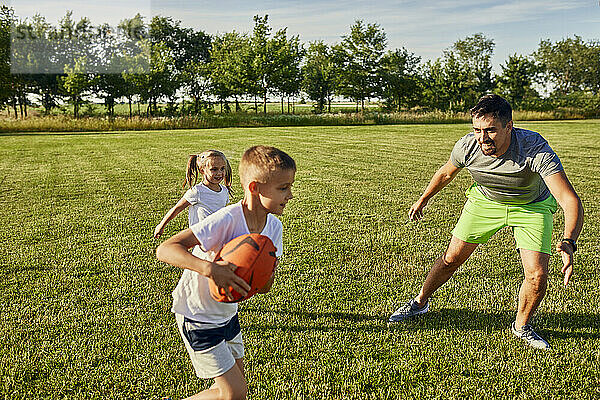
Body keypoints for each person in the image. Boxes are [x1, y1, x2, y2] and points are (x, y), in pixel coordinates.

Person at [388, 94, 584, 350]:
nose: (482, 137)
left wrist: (569, 240)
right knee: (451, 259)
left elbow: (569, 200)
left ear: (508, 126)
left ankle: (521, 326)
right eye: (477, 130)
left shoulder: (534, 148)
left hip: (531, 206)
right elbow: (446, 173)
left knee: (536, 274)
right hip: (486, 202)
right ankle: (420, 303)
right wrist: (423, 199)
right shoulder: (468, 146)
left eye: (490, 130)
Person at [156, 145, 296, 400]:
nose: (290, 195)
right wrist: (210, 269)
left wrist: (263, 271)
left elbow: (263, 287)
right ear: (254, 188)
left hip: (228, 316)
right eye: (283, 188)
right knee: (235, 394)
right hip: (198, 316)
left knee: (226, 391)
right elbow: (166, 249)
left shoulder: (274, 229)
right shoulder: (228, 219)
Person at [154, 150, 233, 240]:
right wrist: (161, 225)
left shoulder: (224, 191)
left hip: (218, 236)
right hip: (201, 238)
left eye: (222, 168)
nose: (219, 173)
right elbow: (177, 208)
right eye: (214, 169)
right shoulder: (197, 191)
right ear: (202, 170)